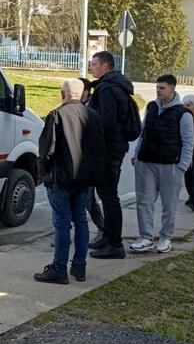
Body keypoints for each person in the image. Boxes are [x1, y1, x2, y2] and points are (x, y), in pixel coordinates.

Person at [34, 79, 105, 284]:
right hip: (83, 178)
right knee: (81, 221)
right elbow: (100, 149)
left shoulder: (56, 115)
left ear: (62, 93)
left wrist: (42, 173)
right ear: (82, 94)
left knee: (62, 224)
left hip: (60, 178)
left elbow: (46, 150)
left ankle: (59, 268)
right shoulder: (93, 116)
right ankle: (79, 267)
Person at [130, 75, 193, 254]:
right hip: (146, 162)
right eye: (157, 87)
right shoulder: (151, 107)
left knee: (169, 204)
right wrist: (136, 155)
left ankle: (166, 237)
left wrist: (183, 166)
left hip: (170, 165)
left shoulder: (183, 113)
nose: (158, 91)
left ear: (172, 90)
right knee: (144, 201)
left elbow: (189, 142)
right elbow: (144, 133)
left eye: (162, 88)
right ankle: (145, 237)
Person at [87, 51, 136, 260]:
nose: (91, 67)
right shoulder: (117, 86)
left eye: (94, 64)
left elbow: (106, 123)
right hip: (115, 147)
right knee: (108, 195)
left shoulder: (107, 89)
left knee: (109, 196)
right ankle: (108, 237)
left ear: (105, 66)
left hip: (108, 149)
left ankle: (115, 244)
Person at [77, 77, 106, 244]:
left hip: (87, 164)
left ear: (85, 93)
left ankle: (103, 229)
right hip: (75, 163)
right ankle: (64, 231)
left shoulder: (92, 112)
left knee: (88, 200)